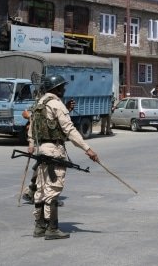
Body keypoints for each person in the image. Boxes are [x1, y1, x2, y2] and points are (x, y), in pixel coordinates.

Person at [27, 74, 99, 240]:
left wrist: (31, 143)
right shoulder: (56, 104)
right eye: (62, 87)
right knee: (52, 190)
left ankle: (39, 226)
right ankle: (52, 229)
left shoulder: (39, 103)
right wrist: (87, 149)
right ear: (56, 88)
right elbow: (70, 130)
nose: (64, 89)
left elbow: (32, 128)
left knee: (41, 189)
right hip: (54, 150)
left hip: (41, 150)